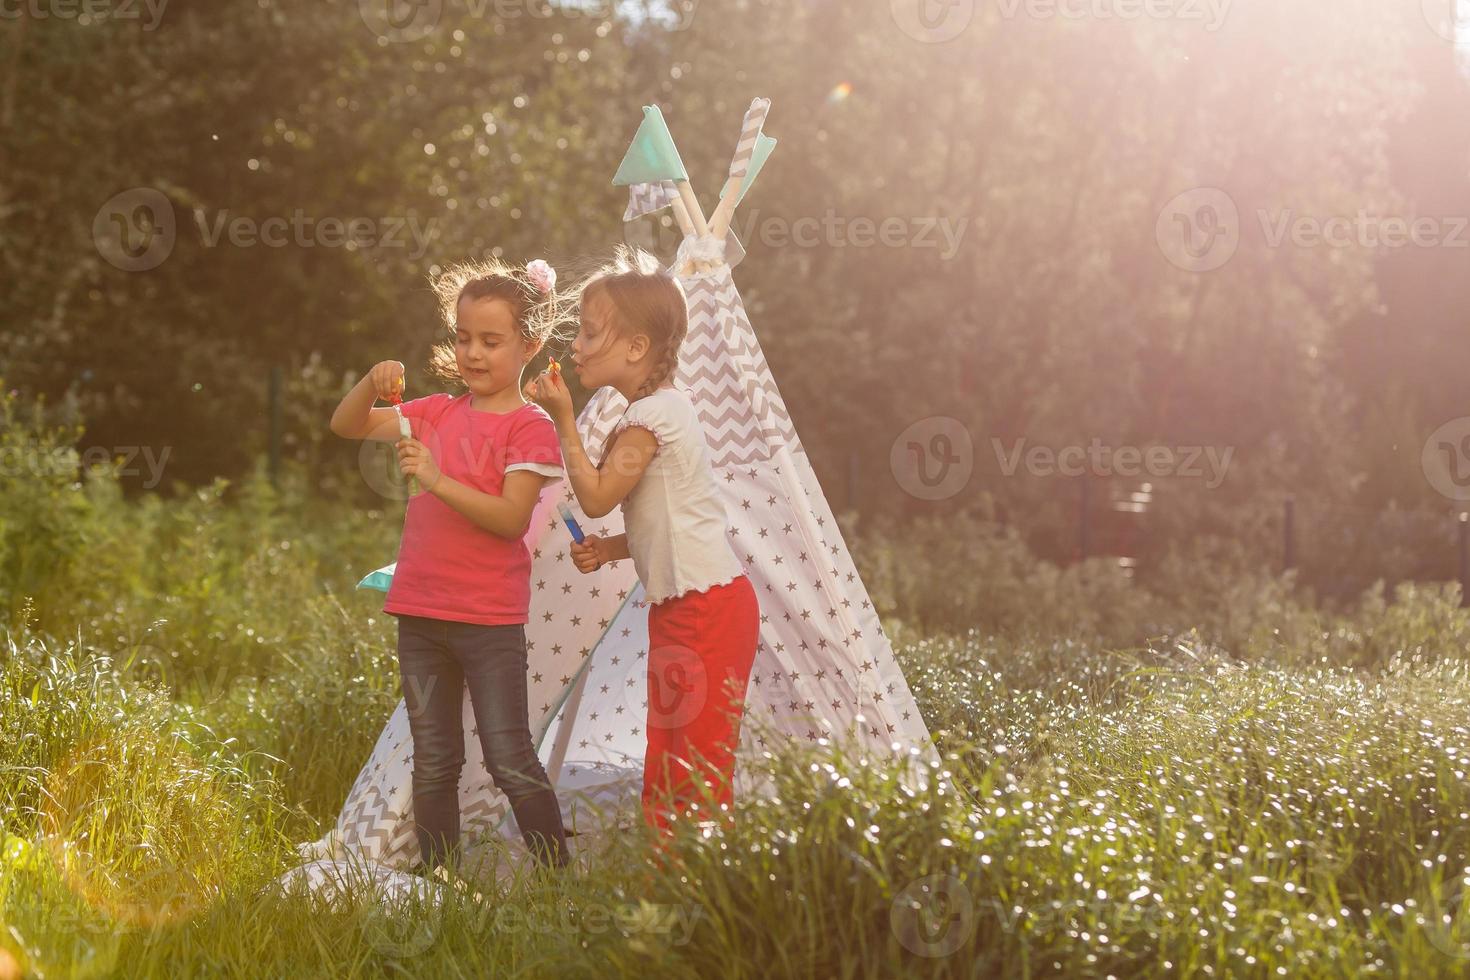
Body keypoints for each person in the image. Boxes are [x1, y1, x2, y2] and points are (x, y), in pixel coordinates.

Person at [329, 257, 572, 870]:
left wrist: (435, 479)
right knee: (434, 759)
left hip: (489, 624)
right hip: (419, 614)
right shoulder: (434, 411)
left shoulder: (530, 426)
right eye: (464, 337)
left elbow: (510, 519)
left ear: (529, 345)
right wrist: (369, 378)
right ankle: (439, 885)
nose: (473, 352)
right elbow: (347, 424)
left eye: (491, 341)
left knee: (509, 757)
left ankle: (557, 880)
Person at [525, 247, 760, 835]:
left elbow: (599, 497)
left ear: (635, 348)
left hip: (705, 612)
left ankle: (694, 896)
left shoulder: (649, 420)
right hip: (688, 610)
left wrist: (563, 419)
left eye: (588, 331)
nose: (575, 345)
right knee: (670, 758)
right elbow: (673, 517)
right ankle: (676, 891)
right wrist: (612, 550)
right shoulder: (660, 413)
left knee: (691, 768)